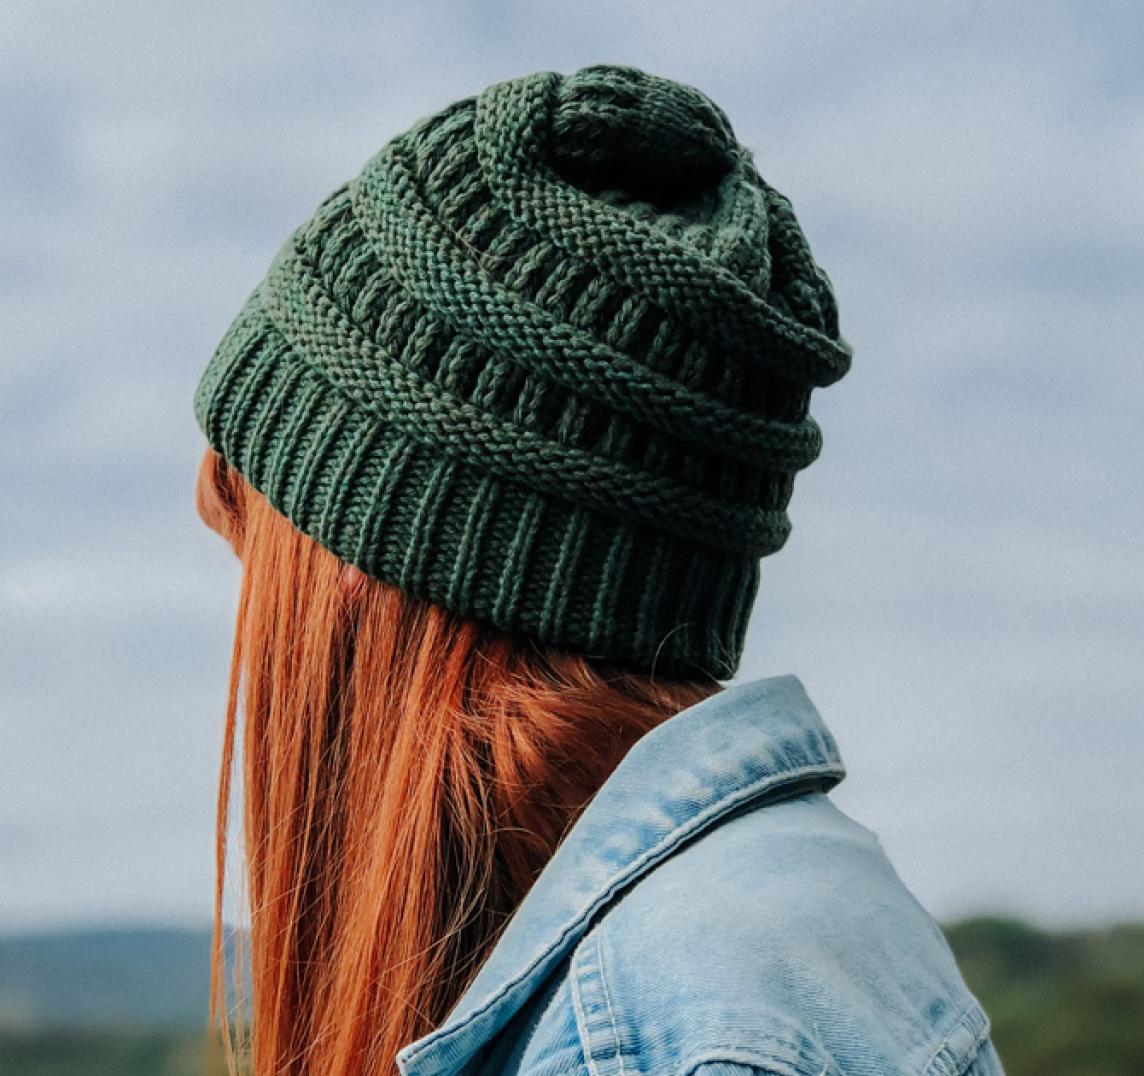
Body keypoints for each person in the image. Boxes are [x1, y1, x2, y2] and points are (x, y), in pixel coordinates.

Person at [193, 63, 1005, 1076]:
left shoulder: (673, 1016)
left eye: (257, 549)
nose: (253, 613)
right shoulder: (781, 919)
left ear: (364, 553)